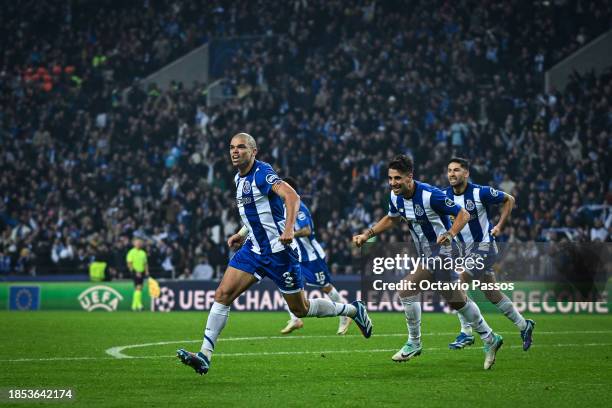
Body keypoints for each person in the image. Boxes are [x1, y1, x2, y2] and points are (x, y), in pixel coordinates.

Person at [177, 133, 372, 376]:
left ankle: (353, 311)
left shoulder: (262, 173)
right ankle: (205, 355)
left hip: (280, 253)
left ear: (253, 151)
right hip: (253, 250)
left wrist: (289, 228)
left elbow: (292, 196)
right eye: (231, 148)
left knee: (300, 309)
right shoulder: (239, 178)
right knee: (223, 294)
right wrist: (241, 234)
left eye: (241, 147)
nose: (234, 151)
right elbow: (258, 213)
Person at [353, 155, 502, 370]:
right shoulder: (395, 197)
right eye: (390, 178)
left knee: (406, 289)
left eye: (398, 178)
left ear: (409, 177)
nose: (393, 182)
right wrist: (367, 235)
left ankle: (414, 342)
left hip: (444, 251)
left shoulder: (431, 195)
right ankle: (490, 338)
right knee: (455, 299)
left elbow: (463, 214)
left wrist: (450, 233)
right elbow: (392, 218)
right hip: (426, 253)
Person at [445, 157, 535, 350]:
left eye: (457, 170)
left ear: (466, 173)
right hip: (466, 252)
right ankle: (524, 325)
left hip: (485, 248)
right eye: (450, 170)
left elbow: (509, 199)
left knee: (457, 287)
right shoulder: (445, 196)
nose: (452, 174)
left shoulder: (480, 192)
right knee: (491, 292)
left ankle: (466, 333)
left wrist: (500, 226)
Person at [278, 177, 351, 335]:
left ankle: (345, 315)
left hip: (312, 257)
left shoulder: (300, 207)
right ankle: (295, 319)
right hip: (297, 257)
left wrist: (290, 233)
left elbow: (307, 230)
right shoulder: (283, 208)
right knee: (286, 282)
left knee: (326, 287)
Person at [126, 237, 149, 311]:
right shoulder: (131, 252)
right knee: (138, 287)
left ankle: (134, 305)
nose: (138, 244)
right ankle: (138, 305)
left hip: (141, 271)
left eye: (140, 242)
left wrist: (146, 271)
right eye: (137, 242)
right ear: (134, 243)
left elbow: (145, 263)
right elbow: (129, 263)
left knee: (138, 288)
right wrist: (134, 271)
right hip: (135, 271)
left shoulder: (143, 253)